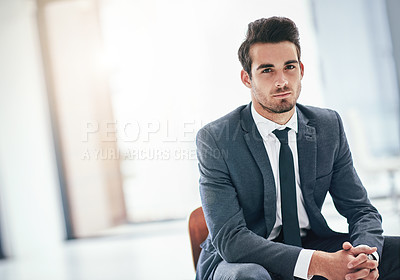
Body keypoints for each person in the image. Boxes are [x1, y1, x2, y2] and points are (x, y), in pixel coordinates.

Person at [196, 16, 400, 280]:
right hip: (243, 259)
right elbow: (231, 241)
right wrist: (318, 263)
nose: (282, 81)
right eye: (267, 70)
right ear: (247, 78)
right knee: (249, 277)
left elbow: (360, 210)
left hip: (312, 242)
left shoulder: (328, 126)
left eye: (289, 67)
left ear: (301, 69)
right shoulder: (216, 139)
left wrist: (365, 256)